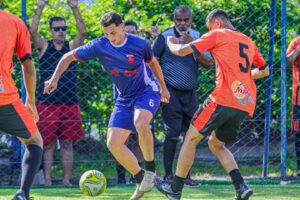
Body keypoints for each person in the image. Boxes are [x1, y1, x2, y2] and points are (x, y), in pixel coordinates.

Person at [44, 12, 170, 200]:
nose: (110, 37)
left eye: (113, 32)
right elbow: (68, 57)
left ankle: (150, 170)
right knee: (113, 143)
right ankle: (140, 177)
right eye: (106, 34)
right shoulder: (99, 45)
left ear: (121, 27)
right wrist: (54, 79)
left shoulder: (139, 44)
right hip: (124, 97)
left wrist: (163, 88)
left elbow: (153, 63)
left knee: (141, 122)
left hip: (146, 90)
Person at [155, 9, 269, 200]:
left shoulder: (216, 34)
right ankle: (241, 186)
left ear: (215, 23)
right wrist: (240, 79)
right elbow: (264, 71)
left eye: (208, 28)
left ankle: (175, 188)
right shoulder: (247, 41)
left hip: (222, 99)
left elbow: (181, 51)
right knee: (216, 144)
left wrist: (170, 42)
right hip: (244, 103)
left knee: (190, 138)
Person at [153, 5, 213, 187]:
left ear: (191, 20)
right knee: (172, 133)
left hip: (190, 93)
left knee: (191, 135)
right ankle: (169, 175)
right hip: (170, 91)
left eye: (186, 20)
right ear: (174, 20)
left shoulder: (198, 37)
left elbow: (209, 64)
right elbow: (151, 61)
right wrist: (160, 87)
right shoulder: (164, 37)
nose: (182, 23)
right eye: (179, 20)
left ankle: (185, 176)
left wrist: (193, 47)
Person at [29, 0, 86, 186]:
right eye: (56, 28)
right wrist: (40, 6)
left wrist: (75, 7)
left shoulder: (72, 48)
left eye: (63, 28)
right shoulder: (44, 47)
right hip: (47, 104)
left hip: (70, 102)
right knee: (48, 144)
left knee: (68, 142)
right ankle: (46, 181)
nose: (60, 31)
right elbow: (32, 31)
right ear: (51, 31)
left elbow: (82, 32)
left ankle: (66, 181)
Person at [0, 5, 43, 200]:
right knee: (34, 141)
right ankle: (22, 194)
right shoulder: (15, 22)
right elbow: (28, 66)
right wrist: (31, 101)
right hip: (4, 97)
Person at [115, 20, 144, 184]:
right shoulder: (115, 50)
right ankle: (121, 177)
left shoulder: (143, 49)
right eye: (127, 32)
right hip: (122, 100)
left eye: (133, 32)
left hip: (141, 100)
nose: (130, 35)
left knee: (139, 138)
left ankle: (138, 175)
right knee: (120, 139)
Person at [286, 35, 300, 177]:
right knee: (299, 134)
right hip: (299, 98)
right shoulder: (296, 41)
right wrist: (298, 49)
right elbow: (287, 61)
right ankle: (299, 167)